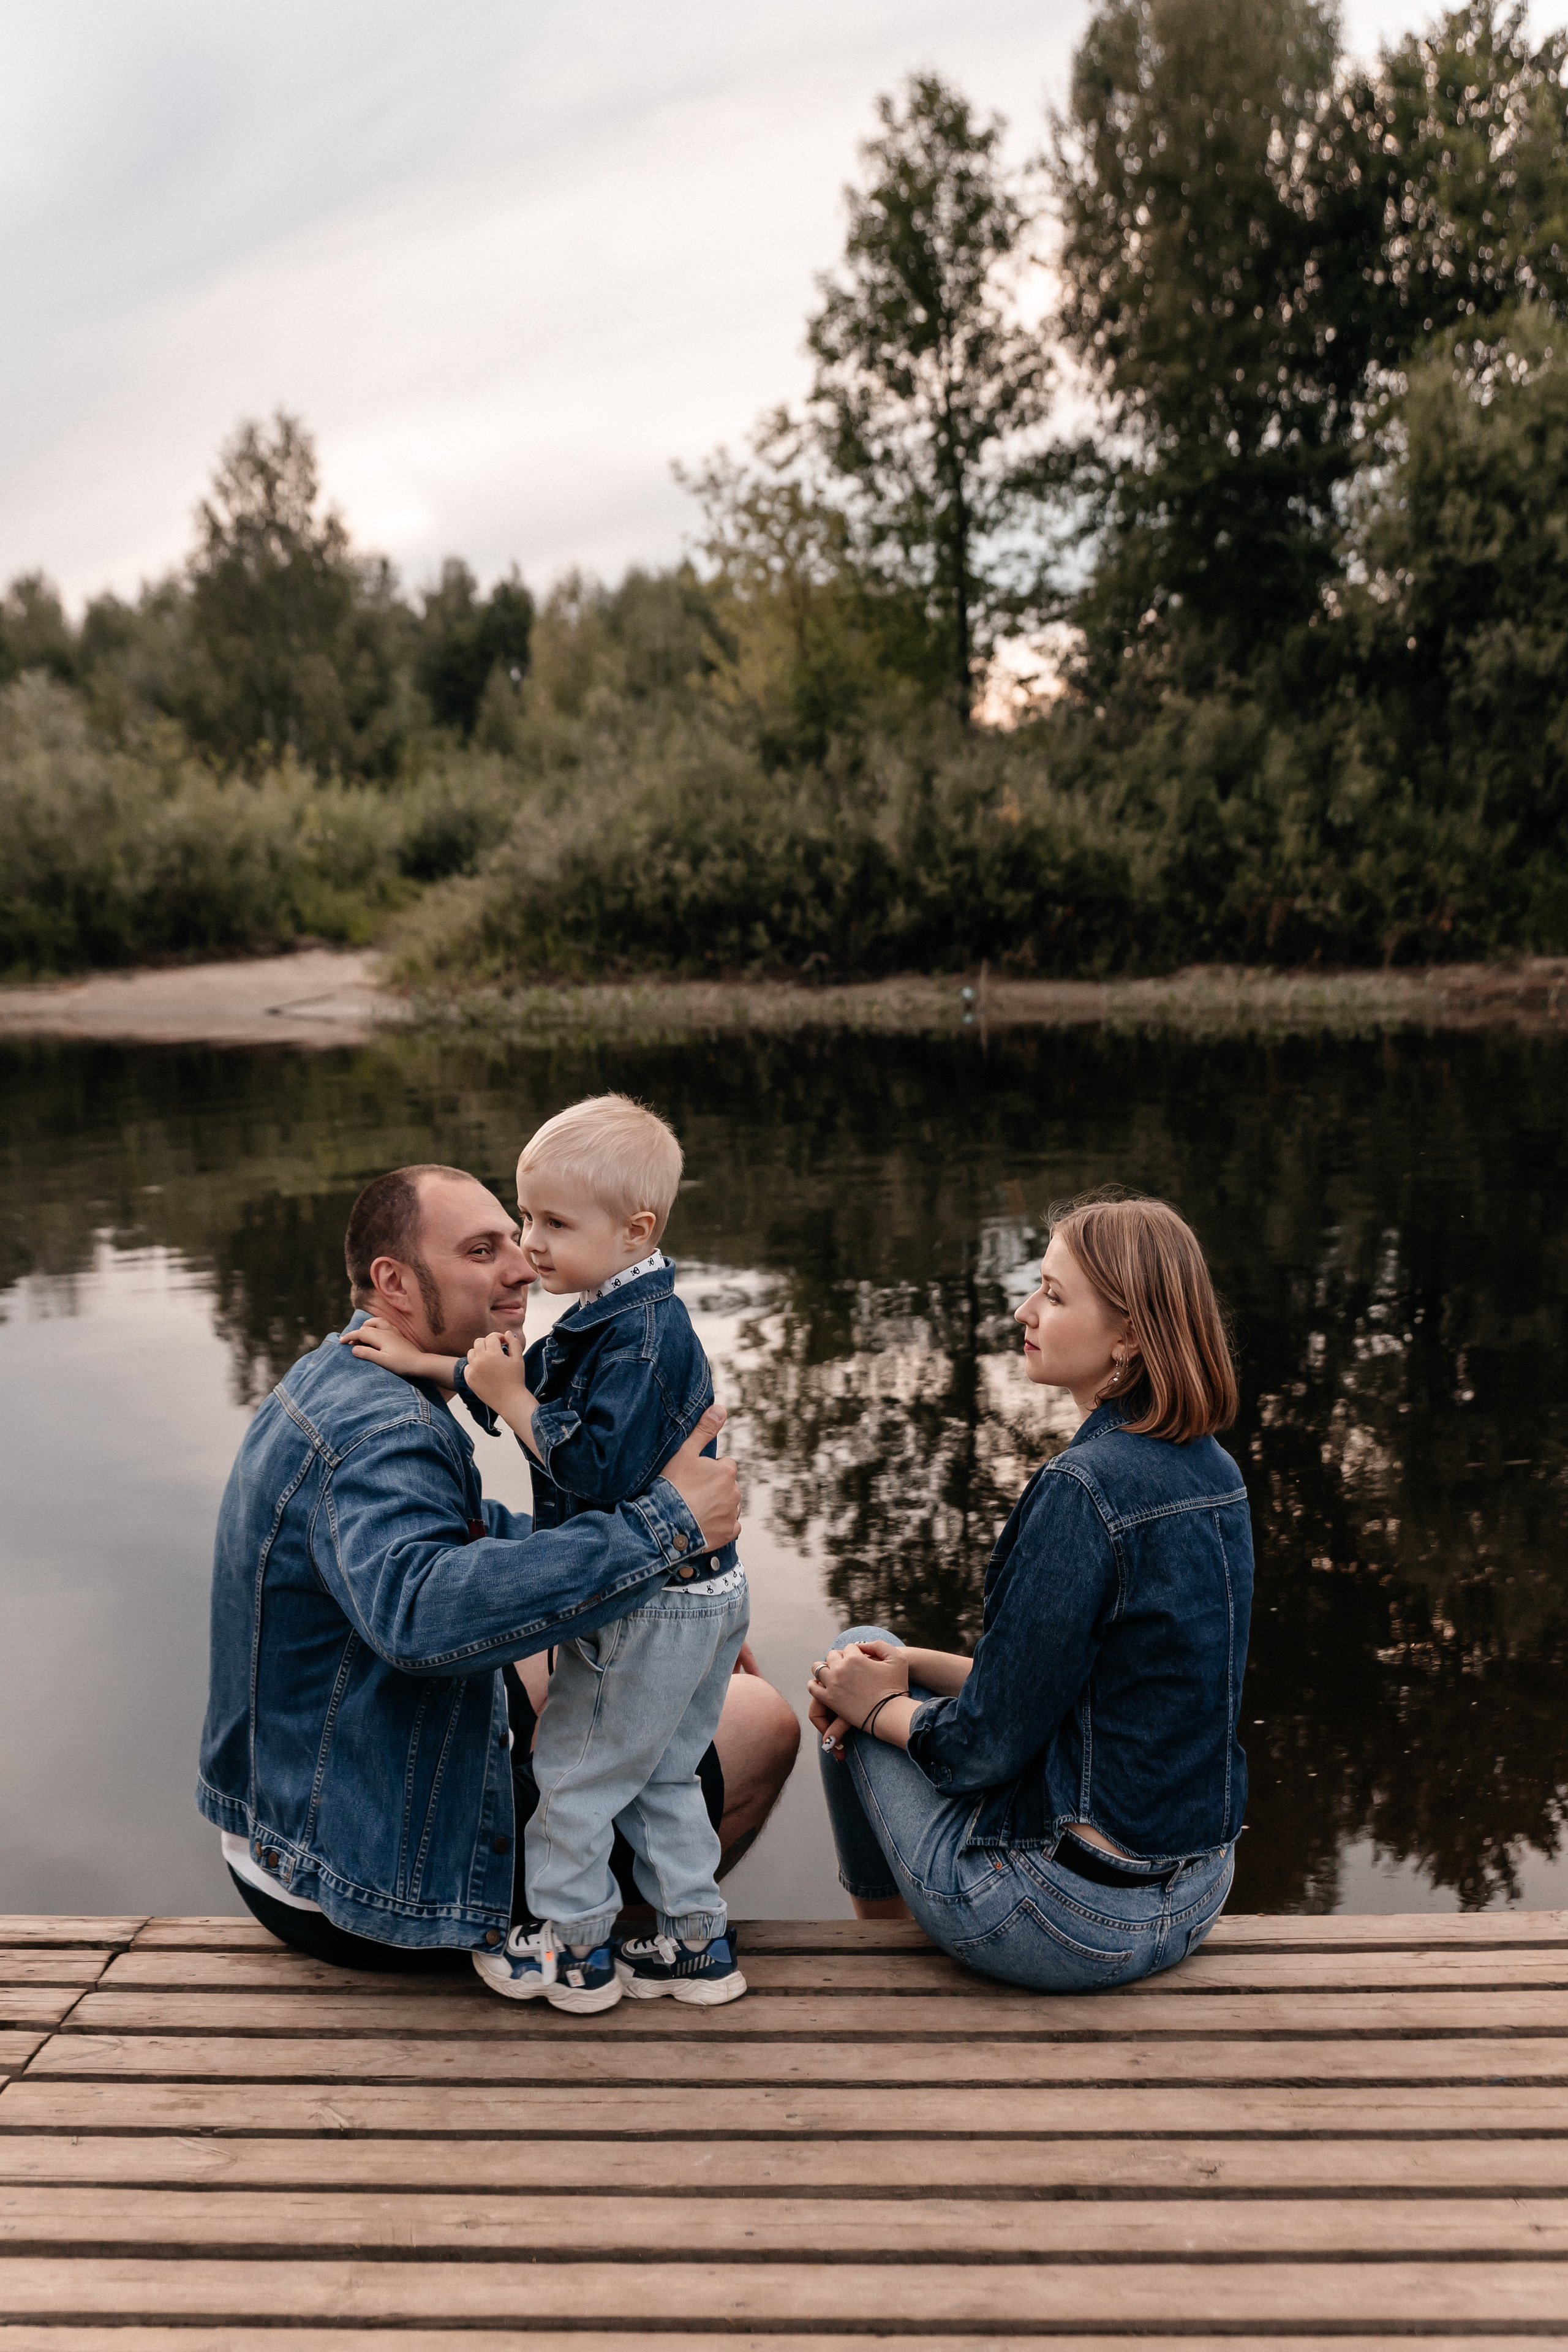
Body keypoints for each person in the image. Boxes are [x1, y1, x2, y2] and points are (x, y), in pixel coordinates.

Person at [198, 1161, 799, 1988]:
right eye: (482, 1250)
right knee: (758, 1723)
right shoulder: (383, 1436)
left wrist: (664, 1587)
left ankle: (580, 1912)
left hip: (294, 1827)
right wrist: (666, 1531)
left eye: (514, 1240)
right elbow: (420, 1614)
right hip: (355, 1886)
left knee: (624, 1671)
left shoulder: (344, 1373)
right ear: (395, 1281)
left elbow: (471, 1538)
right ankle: (579, 1947)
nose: (521, 1264)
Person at [349, 1098, 750, 2013]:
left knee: (573, 1776)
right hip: (699, 1589)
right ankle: (695, 1942)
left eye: (552, 1225)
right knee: (662, 1773)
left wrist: (506, 1395)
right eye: (525, 1221)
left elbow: (597, 1469)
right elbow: (535, 1400)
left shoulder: (645, 1333)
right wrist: (439, 1369)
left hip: (651, 1605)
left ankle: (572, 1952)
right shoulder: (616, 1313)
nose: (530, 1248)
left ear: (636, 1228)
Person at [807, 1190, 1252, 1992]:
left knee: (847, 1665)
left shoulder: (1085, 1488)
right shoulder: (1213, 1472)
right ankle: (891, 1921)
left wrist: (873, 1705)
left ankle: (877, 1956)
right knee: (873, 1655)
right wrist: (909, 1663)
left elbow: (984, 1749)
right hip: (1194, 1897)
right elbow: (1083, 1693)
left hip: (1066, 1921)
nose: (1024, 1309)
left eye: (1053, 1293)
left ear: (1129, 1336)